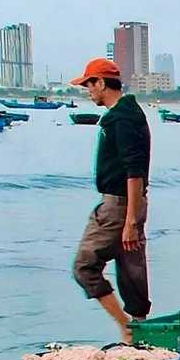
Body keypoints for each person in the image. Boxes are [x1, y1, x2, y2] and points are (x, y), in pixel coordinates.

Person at [70, 59, 152, 343]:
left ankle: (126, 327)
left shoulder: (122, 118)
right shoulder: (130, 114)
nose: (87, 91)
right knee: (131, 270)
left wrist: (130, 220)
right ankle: (139, 332)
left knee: (85, 266)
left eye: (89, 85)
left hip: (119, 204)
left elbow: (134, 169)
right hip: (131, 202)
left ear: (102, 83)